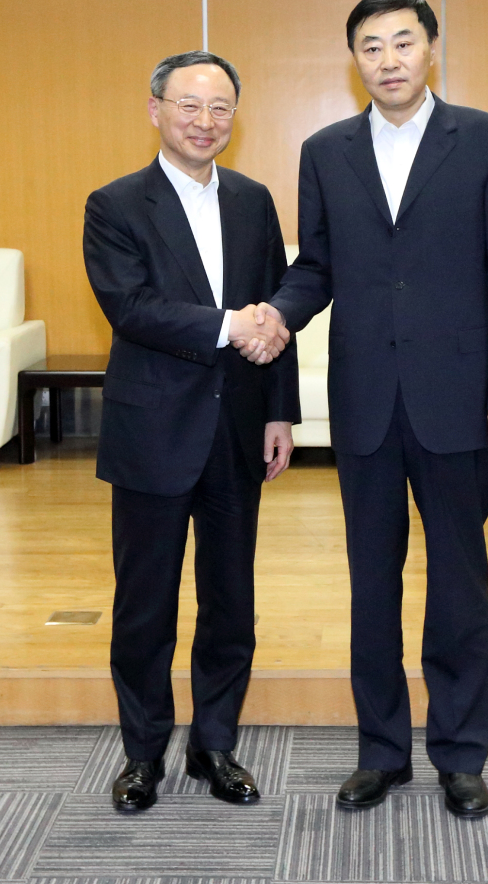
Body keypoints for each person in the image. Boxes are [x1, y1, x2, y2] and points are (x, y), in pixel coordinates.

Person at [239, 0, 488, 817]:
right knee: (372, 585)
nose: (390, 59)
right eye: (372, 46)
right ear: (355, 61)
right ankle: (381, 751)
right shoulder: (325, 149)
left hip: (460, 403)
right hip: (366, 401)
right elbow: (317, 267)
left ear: (431, 48)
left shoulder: (486, 140)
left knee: (459, 583)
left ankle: (460, 752)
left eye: (404, 42)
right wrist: (275, 314)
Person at [83, 50, 299, 813]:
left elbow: (276, 310)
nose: (205, 122)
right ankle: (143, 753)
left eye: (220, 109)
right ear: (155, 110)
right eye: (189, 106)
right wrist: (226, 324)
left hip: (238, 432)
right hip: (152, 433)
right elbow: (130, 306)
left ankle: (216, 743)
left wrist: (280, 411)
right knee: (145, 603)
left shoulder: (253, 199)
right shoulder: (113, 205)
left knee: (230, 599)